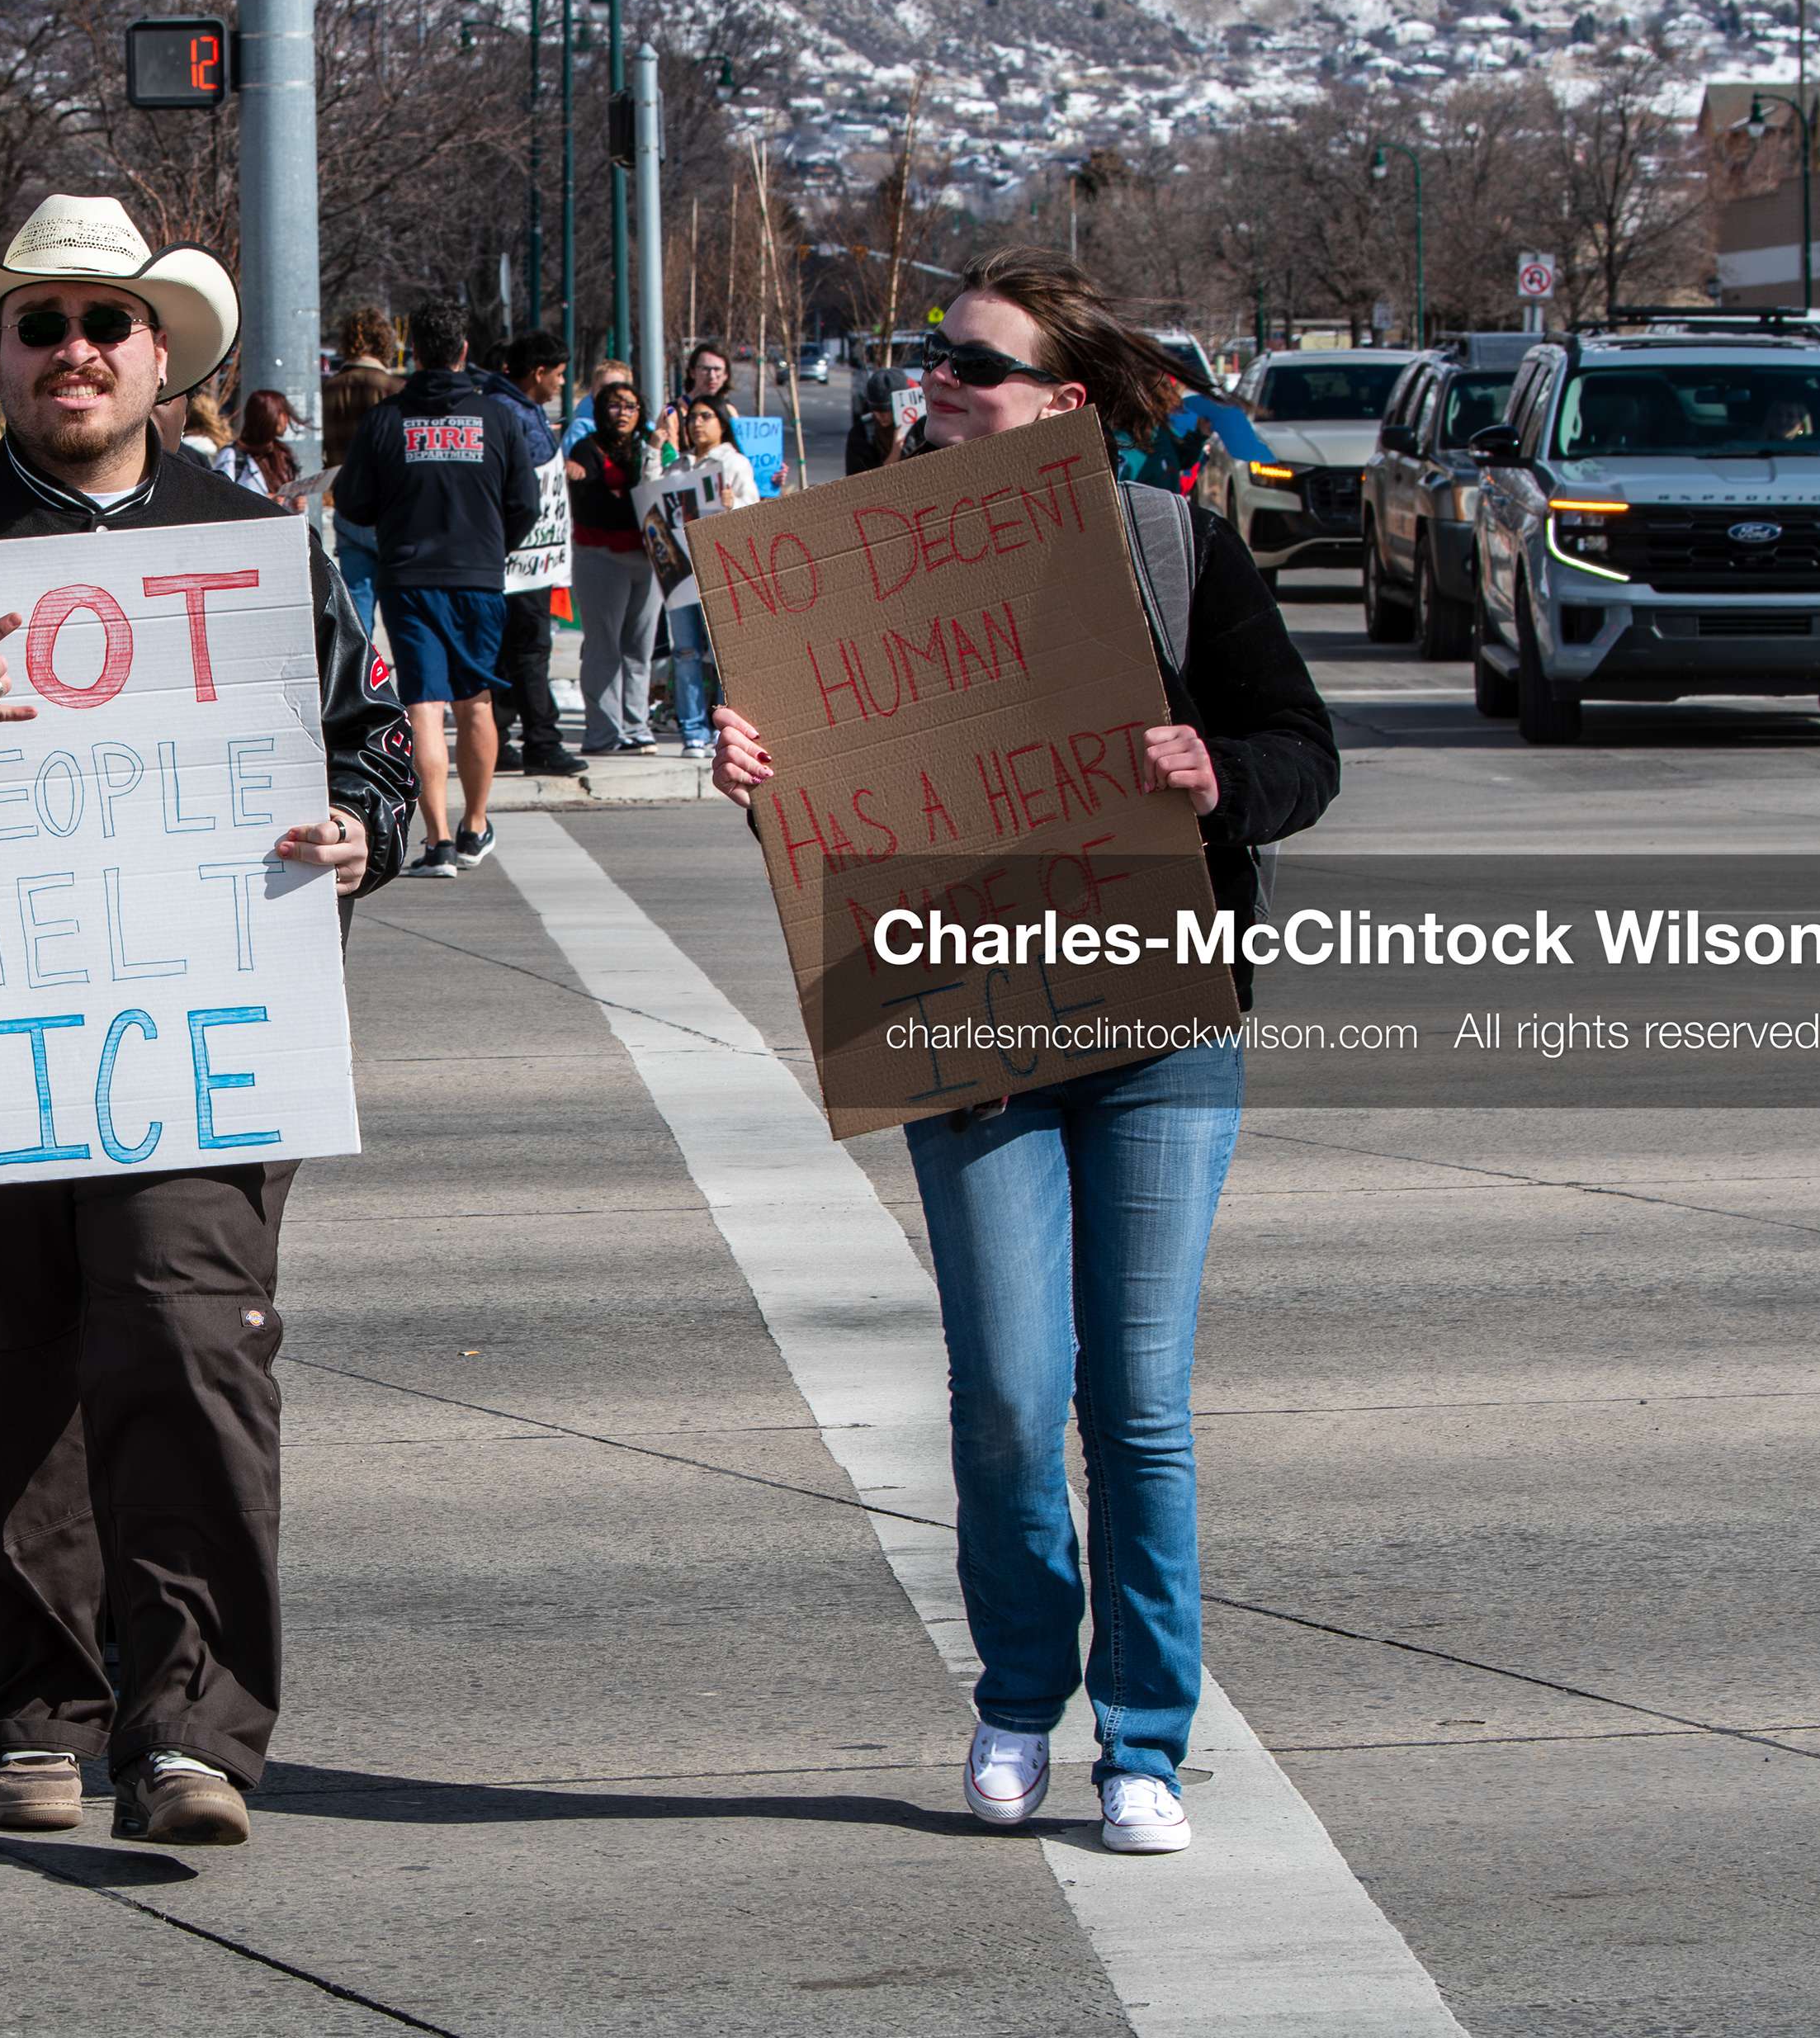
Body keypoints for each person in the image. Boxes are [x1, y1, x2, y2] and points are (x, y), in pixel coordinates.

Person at [0, 192, 417, 1848]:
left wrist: (362, 833)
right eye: (38, 323)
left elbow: (382, 745)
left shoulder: (255, 541)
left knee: (191, 1344)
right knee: (7, 1369)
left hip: (202, 1014)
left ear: (160, 357)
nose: (70, 351)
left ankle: (191, 1726)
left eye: (101, 324)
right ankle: (42, 1702)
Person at [711, 247, 1338, 1858]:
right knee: (1003, 1391)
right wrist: (758, 758)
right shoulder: (840, 573)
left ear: (1062, 403)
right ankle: (1014, 1695)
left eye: (977, 366)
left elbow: (1301, 747)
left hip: (1151, 1017)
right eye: (936, 359)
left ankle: (1145, 1736)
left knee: (1136, 1402)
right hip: (962, 1017)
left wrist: (1217, 775)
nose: (942, 383)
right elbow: (835, 788)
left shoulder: (1168, 546)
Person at [333, 299, 537, 877]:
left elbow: (353, 502)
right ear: (464, 350)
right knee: (477, 701)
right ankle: (475, 826)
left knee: (424, 705)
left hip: (410, 575)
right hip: (477, 576)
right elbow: (525, 503)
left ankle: (439, 840)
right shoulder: (497, 419)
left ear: (413, 351)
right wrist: (492, 541)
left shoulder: (386, 419)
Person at [474, 330, 588, 778]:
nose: (562, 383)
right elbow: (517, 491)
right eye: (559, 375)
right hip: (520, 560)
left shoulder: (521, 409)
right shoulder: (508, 413)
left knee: (510, 652)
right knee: (530, 650)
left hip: (528, 559)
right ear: (538, 372)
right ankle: (542, 739)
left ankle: (501, 738)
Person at [655, 392, 756, 761]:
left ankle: (729, 730)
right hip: (680, 574)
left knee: (723, 655)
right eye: (693, 417)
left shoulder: (734, 463)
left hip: (719, 573)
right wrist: (657, 445)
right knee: (684, 653)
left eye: (706, 416)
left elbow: (753, 513)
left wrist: (735, 505)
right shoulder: (678, 466)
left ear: (720, 423)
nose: (697, 423)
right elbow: (654, 500)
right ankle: (692, 729)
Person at [566, 381, 662, 756]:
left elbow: (656, 497)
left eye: (631, 406)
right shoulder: (584, 450)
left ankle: (636, 729)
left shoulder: (647, 451)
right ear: (600, 410)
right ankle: (603, 735)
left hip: (648, 560)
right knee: (603, 648)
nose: (623, 413)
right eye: (614, 405)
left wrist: (625, 497)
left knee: (640, 649)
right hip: (601, 557)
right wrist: (628, 502)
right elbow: (594, 507)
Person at [320, 308, 404, 637]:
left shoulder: (328, 390)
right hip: (390, 512)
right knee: (402, 611)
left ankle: (364, 680)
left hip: (348, 508)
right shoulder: (394, 389)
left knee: (358, 608)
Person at [212, 386, 300, 500]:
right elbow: (220, 499)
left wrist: (298, 505)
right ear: (269, 415)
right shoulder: (233, 455)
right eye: (283, 414)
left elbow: (290, 504)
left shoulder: (283, 454)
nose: (287, 421)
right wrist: (263, 502)